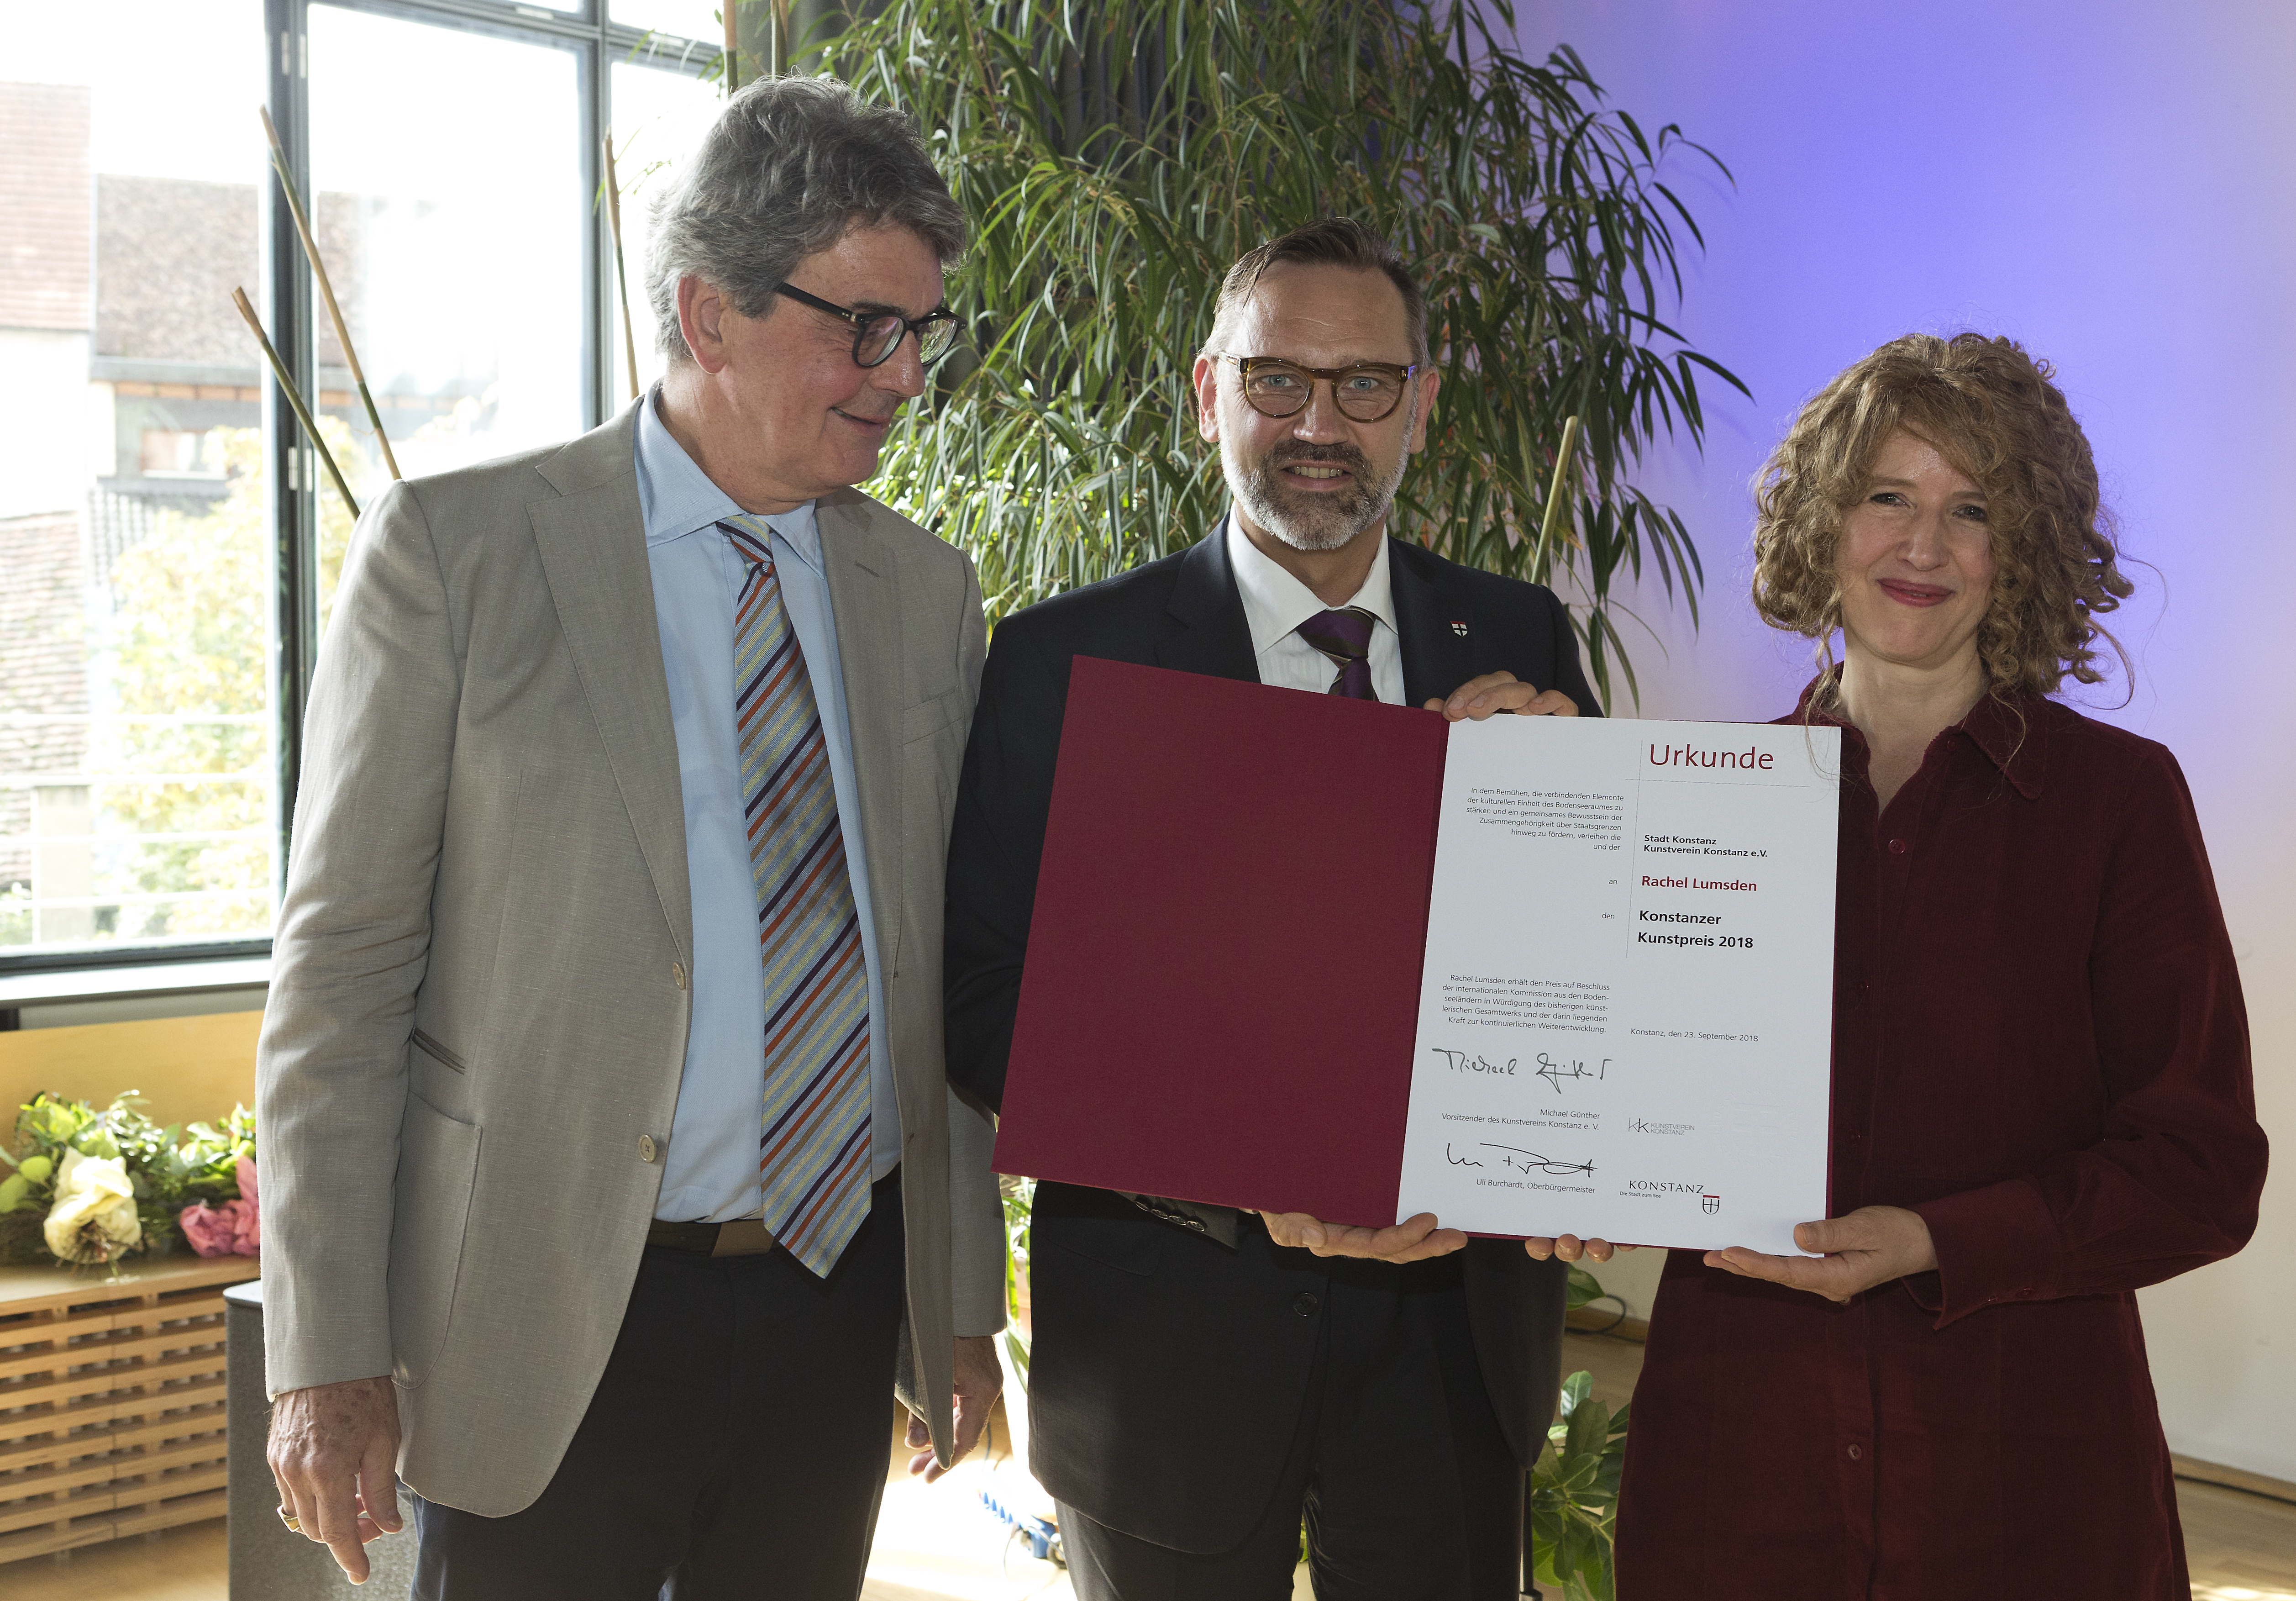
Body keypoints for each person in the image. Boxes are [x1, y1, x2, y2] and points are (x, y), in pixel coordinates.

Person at [256, 77, 1006, 1599]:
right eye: (863, 326)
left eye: (922, 332)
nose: (903, 373)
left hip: (829, 1299)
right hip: (543, 1312)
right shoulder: (457, 556)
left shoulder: (928, 595)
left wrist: (963, 1302)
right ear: (707, 311)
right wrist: (323, 1353)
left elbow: (937, 977)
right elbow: (339, 986)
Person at [1537, 332, 2267, 1596]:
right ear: (1827, 525)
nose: (1921, 548)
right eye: (1888, 497)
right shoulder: (1699, 806)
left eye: (1971, 509)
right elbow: (1632, 1104)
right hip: (1742, 1474)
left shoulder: (2118, 806)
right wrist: (1574, 1171)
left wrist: (1938, 1240)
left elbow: (2202, 1170)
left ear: (2022, 549)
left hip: (2020, 1476)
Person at [943, 218, 1593, 1600]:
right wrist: (1240, 1175)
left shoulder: (1522, 639)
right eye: (1277, 380)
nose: (1319, 422)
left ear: (1421, 403)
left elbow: (1580, 973)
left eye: (1365, 383)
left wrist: (1558, 791)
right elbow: (987, 1002)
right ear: (1207, 393)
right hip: (1169, 1348)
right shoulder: (1066, 658)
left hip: (1451, 1349)